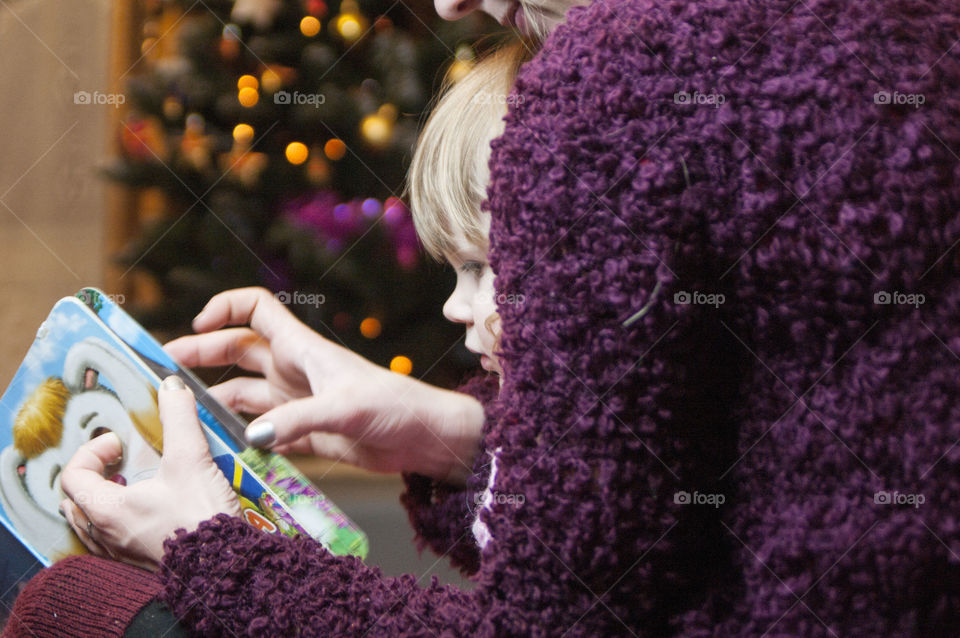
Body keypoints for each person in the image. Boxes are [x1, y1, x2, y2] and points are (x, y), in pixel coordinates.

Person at [7, 0, 960, 634]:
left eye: (485, 267)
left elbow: (551, 623)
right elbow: (679, 504)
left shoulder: (617, 83)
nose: (451, 5)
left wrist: (206, 552)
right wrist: (456, 438)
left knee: (68, 602)